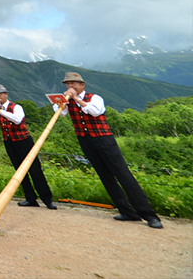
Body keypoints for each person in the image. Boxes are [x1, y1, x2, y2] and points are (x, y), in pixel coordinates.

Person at [58, 72, 162, 228]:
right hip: (85, 140)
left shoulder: (95, 98)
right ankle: (127, 212)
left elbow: (95, 111)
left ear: (82, 85)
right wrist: (63, 101)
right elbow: (59, 113)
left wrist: (76, 99)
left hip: (103, 140)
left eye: (73, 83)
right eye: (67, 84)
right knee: (104, 176)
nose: (70, 86)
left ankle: (150, 215)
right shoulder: (67, 100)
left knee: (123, 174)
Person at [0, 85, 56, 209]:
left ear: (6, 94)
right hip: (9, 142)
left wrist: (0, 111)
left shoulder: (16, 107)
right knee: (19, 170)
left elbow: (17, 120)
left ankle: (47, 199)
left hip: (24, 141)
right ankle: (30, 199)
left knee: (35, 170)